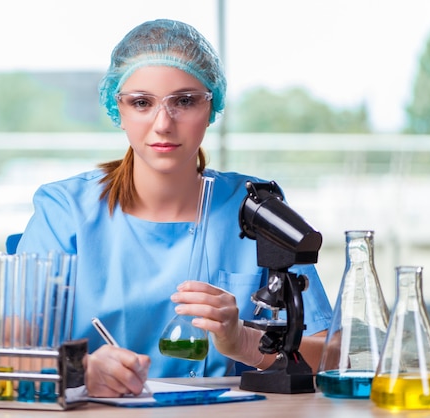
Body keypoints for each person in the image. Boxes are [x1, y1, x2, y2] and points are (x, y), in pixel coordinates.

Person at [16, 18, 332, 398]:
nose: (163, 124)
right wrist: (77, 372)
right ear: (117, 109)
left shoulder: (256, 209)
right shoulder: (66, 212)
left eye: (184, 101)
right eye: (142, 103)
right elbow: (0, 346)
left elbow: (332, 356)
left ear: (212, 104)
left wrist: (246, 343)